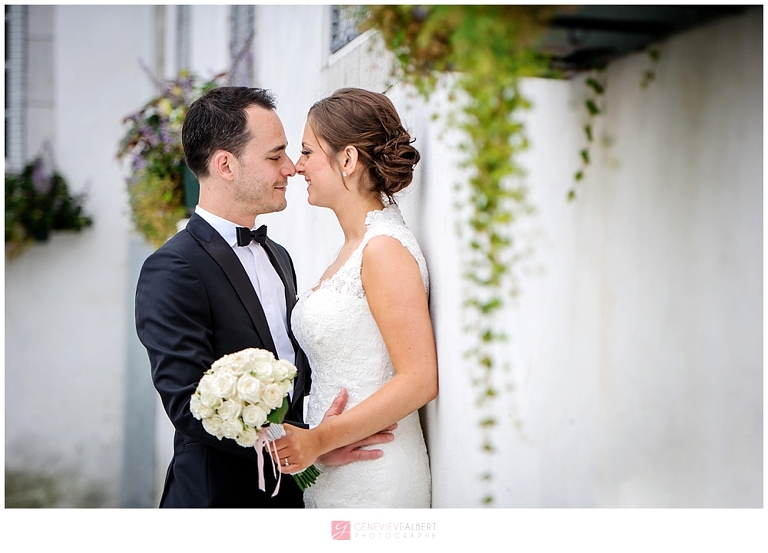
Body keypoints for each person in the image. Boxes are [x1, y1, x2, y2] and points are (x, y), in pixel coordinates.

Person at [135, 86, 394, 508]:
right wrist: (303, 449)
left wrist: (315, 440)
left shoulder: (279, 257)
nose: (291, 168)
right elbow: (189, 405)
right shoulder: (173, 269)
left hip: (294, 497)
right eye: (275, 156)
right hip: (217, 501)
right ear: (225, 165)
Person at [271, 87, 438, 508]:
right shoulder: (353, 247)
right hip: (334, 469)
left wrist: (319, 439)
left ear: (347, 160)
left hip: (375, 474)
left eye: (308, 152)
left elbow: (419, 378)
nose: (297, 166)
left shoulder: (384, 249)